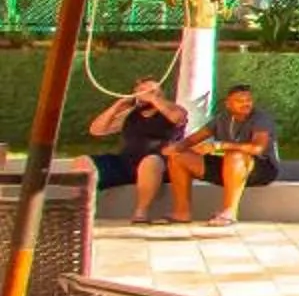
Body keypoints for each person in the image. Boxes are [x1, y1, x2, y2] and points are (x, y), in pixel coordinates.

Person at [164, 83, 282, 227]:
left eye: (248, 100)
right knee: (178, 158)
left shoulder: (260, 118)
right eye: (240, 101)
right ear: (228, 104)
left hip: (261, 168)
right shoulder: (222, 119)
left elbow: (258, 148)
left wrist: (221, 145)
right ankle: (182, 212)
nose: (246, 104)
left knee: (234, 155)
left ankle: (229, 213)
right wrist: (176, 147)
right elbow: (194, 139)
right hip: (230, 166)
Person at [86, 75, 187, 223]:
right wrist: (116, 107)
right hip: (126, 162)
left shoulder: (174, 110)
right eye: (141, 91)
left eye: (153, 91)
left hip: (158, 165)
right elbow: (96, 130)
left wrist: (153, 98)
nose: (145, 94)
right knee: (84, 162)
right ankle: (80, 209)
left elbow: (176, 118)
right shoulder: (131, 114)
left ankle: (141, 212)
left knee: (150, 161)